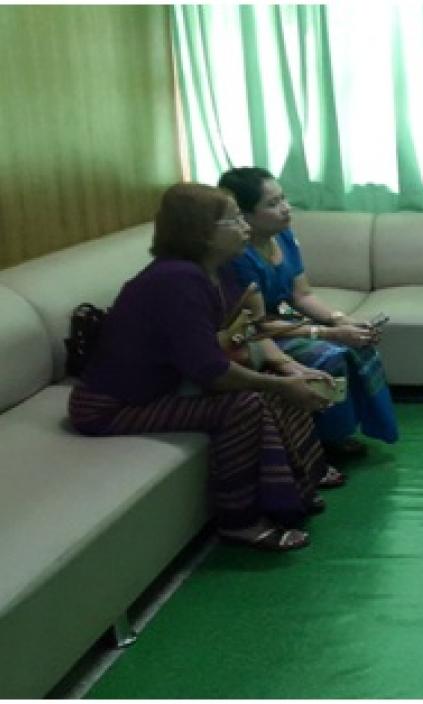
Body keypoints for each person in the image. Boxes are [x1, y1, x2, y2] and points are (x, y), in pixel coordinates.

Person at [68, 183, 339, 552]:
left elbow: (242, 332)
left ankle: (298, 488)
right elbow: (212, 372)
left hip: (164, 388)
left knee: (277, 381)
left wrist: (291, 369)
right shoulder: (176, 281)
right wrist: (278, 384)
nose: (245, 227)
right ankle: (239, 522)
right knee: (245, 405)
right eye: (234, 221)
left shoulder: (216, 272)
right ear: (202, 233)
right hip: (111, 406)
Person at [218, 167, 399, 462]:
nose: (286, 208)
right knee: (331, 355)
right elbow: (257, 325)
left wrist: (341, 320)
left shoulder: (284, 235)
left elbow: (301, 295)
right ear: (245, 215)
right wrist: (327, 333)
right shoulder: (238, 256)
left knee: (361, 345)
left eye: (283, 198)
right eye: (273, 204)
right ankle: (325, 442)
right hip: (257, 335)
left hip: (283, 322)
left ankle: (351, 430)